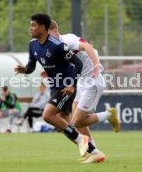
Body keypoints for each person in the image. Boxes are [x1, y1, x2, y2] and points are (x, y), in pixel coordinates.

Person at [14, 13, 90, 159]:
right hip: (54, 88)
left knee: (48, 115)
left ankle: (82, 139)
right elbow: (31, 66)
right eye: (30, 25)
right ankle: (93, 150)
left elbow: (78, 63)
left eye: (34, 25)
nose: (30, 28)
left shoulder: (57, 45)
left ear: (43, 27)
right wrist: (25, 70)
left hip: (66, 87)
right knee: (63, 124)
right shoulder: (33, 44)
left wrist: (72, 85)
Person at [49, 20, 120, 163]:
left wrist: (96, 64)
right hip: (82, 82)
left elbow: (88, 46)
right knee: (76, 121)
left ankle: (108, 115)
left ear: (55, 31)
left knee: (77, 121)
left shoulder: (67, 41)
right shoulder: (58, 46)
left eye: (49, 36)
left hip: (92, 82)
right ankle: (94, 151)